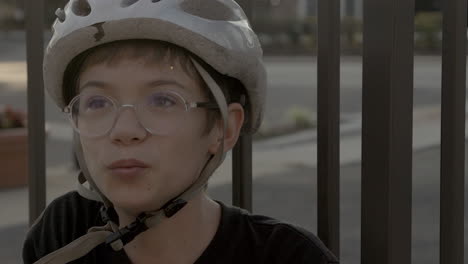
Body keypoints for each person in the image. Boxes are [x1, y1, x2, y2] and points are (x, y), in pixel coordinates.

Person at [23, 0, 339, 263]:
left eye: (162, 100)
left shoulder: (287, 257)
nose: (124, 131)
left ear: (224, 128)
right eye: (96, 103)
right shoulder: (63, 230)